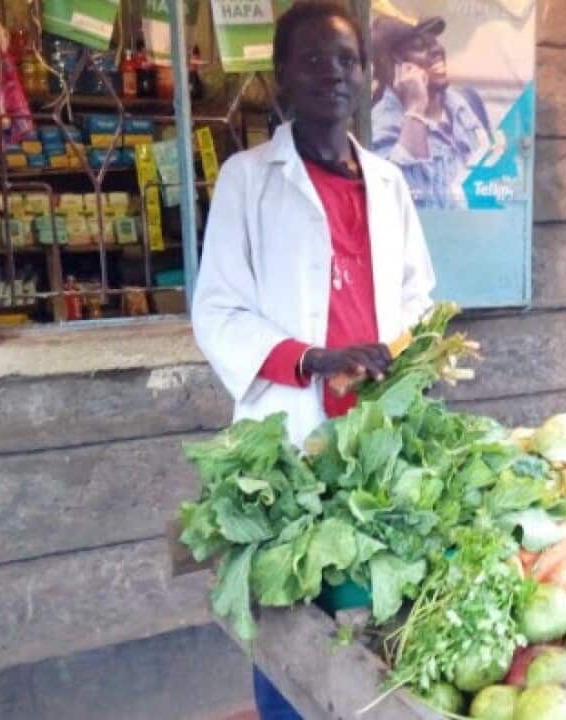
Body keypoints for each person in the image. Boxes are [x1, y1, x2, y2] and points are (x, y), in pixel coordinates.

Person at [191, 3, 435, 717]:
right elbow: (218, 310)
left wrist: (400, 355)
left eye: (347, 60)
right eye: (311, 60)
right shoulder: (247, 179)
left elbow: (420, 294)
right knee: (287, 612)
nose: (332, 73)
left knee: (371, 608)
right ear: (282, 81)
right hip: (285, 439)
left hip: (376, 439)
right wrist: (316, 359)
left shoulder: (388, 184)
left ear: (364, 77)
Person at [370, 13, 489, 210]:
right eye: (419, 47)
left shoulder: (466, 102)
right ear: (393, 66)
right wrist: (416, 109)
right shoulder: (382, 125)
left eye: (434, 41)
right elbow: (412, 203)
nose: (436, 49)